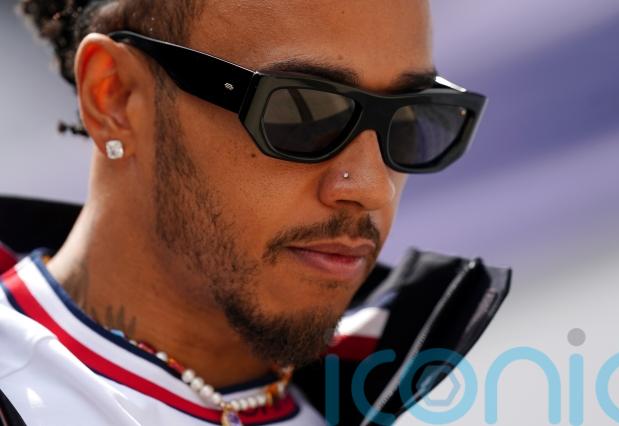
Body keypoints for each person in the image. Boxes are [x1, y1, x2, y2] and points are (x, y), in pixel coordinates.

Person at [0, 1, 511, 425]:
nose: (373, 188)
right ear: (115, 97)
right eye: (301, 112)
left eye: (410, 116)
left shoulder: (387, 382)